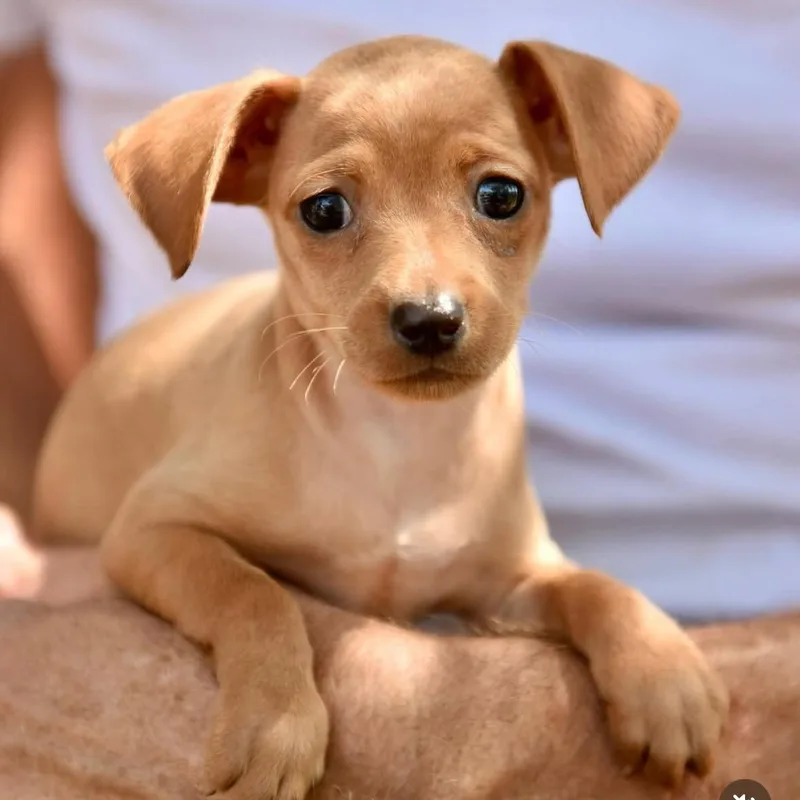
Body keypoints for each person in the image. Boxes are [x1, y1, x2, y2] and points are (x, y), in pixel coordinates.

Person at [0, 0, 797, 796]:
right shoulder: (255, 433)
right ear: (244, 164)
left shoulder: (491, 424)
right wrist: (258, 639)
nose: (426, 299)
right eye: (328, 211)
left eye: (496, 198)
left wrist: (616, 620)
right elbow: (148, 532)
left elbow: (519, 577)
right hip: (90, 618)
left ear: (563, 140)